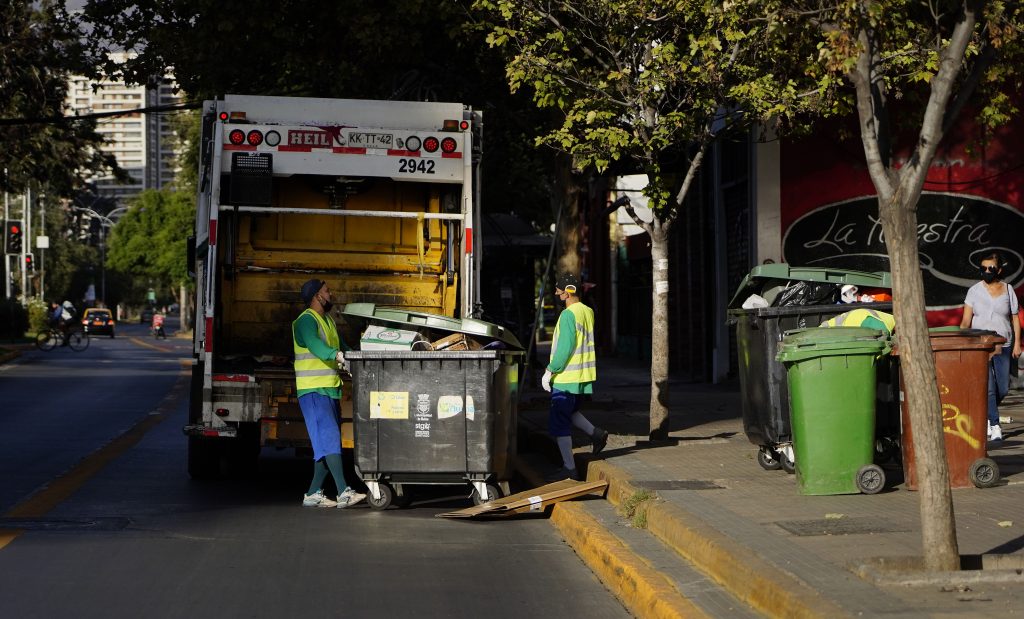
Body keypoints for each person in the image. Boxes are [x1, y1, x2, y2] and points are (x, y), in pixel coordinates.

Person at [293, 278, 366, 508]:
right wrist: (335, 355)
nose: (331, 294)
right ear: (317, 296)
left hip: (330, 390)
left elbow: (343, 346)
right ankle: (344, 491)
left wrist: (355, 357)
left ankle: (313, 493)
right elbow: (315, 345)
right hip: (313, 391)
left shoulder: (328, 322)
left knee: (325, 445)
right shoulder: (305, 321)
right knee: (331, 439)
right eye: (327, 291)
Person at [541, 272, 608, 481]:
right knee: (571, 411)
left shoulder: (568, 315)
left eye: (559, 289)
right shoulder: (587, 312)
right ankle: (596, 434)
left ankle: (569, 468)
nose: (556, 292)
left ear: (568, 292)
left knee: (560, 421)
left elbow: (566, 346)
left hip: (566, 377)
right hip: (582, 376)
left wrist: (550, 370)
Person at [961, 251, 1022, 443]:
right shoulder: (974, 291)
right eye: (983, 268)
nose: (987, 271)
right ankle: (995, 425)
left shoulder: (1008, 289)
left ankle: (987, 414)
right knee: (987, 388)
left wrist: (1018, 344)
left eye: (991, 268)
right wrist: (964, 341)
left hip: (1004, 343)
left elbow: (1014, 317)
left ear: (999, 269)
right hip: (980, 346)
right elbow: (965, 321)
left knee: (1002, 388)